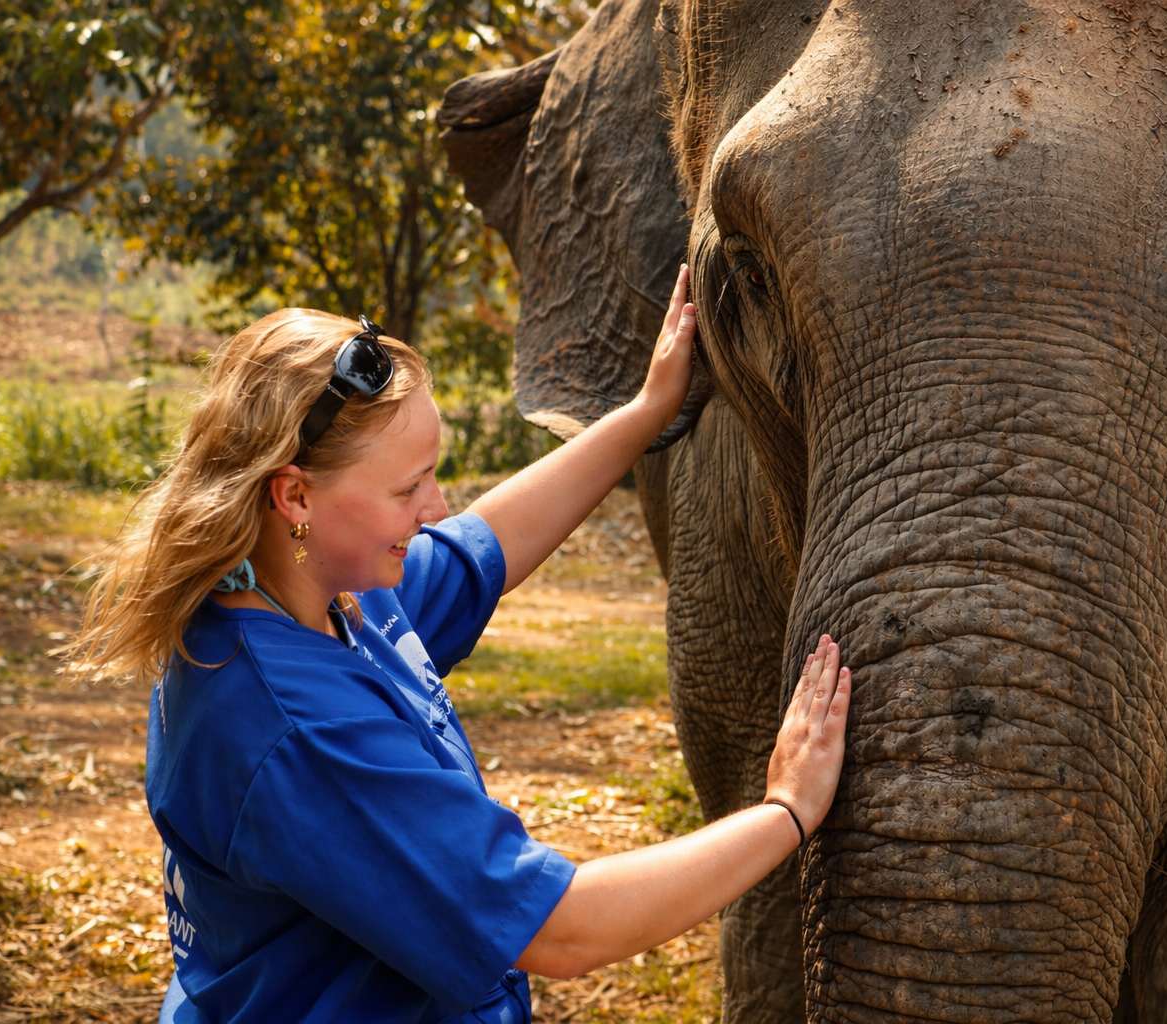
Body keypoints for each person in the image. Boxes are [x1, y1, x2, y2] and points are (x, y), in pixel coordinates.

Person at [66, 267, 851, 1024]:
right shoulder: (293, 730)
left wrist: (646, 411)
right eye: (409, 489)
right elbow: (562, 929)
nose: (434, 507)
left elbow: (488, 543)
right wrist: (783, 811)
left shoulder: (333, 593)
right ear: (296, 494)